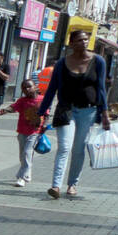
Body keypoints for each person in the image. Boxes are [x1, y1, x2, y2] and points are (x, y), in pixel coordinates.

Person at [37, 28, 109, 199]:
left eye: (85, 39)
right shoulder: (62, 63)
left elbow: (101, 88)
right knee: (64, 147)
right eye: (79, 40)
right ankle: (56, 186)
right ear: (71, 43)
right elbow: (51, 89)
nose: (83, 42)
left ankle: (72, 184)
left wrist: (105, 113)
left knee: (78, 149)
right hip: (66, 110)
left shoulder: (98, 61)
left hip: (88, 111)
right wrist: (42, 112)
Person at [0, 78, 46, 187]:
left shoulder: (42, 99)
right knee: (22, 155)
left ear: (35, 87)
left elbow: (46, 114)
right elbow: (12, 107)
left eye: (29, 86)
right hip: (22, 131)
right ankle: (27, 174)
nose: (26, 89)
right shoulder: (22, 101)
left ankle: (22, 177)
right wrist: (3, 111)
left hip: (35, 132)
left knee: (27, 153)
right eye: (23, 88)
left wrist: (44, 125)